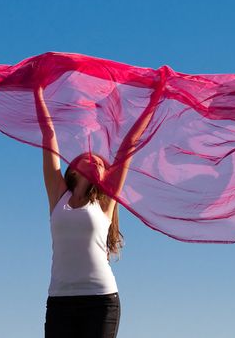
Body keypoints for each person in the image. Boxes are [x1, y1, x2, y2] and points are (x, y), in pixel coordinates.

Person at [35, 82, 159, 338]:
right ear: (73, 168)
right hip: (60, 300)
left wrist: (154, 100)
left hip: (100, 300)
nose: (96, 159)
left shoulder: (104, 204)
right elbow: (48, 135)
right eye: (89, 157)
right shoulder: (58, 194)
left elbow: (129, 143)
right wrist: (37, 91)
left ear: (104, 177)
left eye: (101, 163)